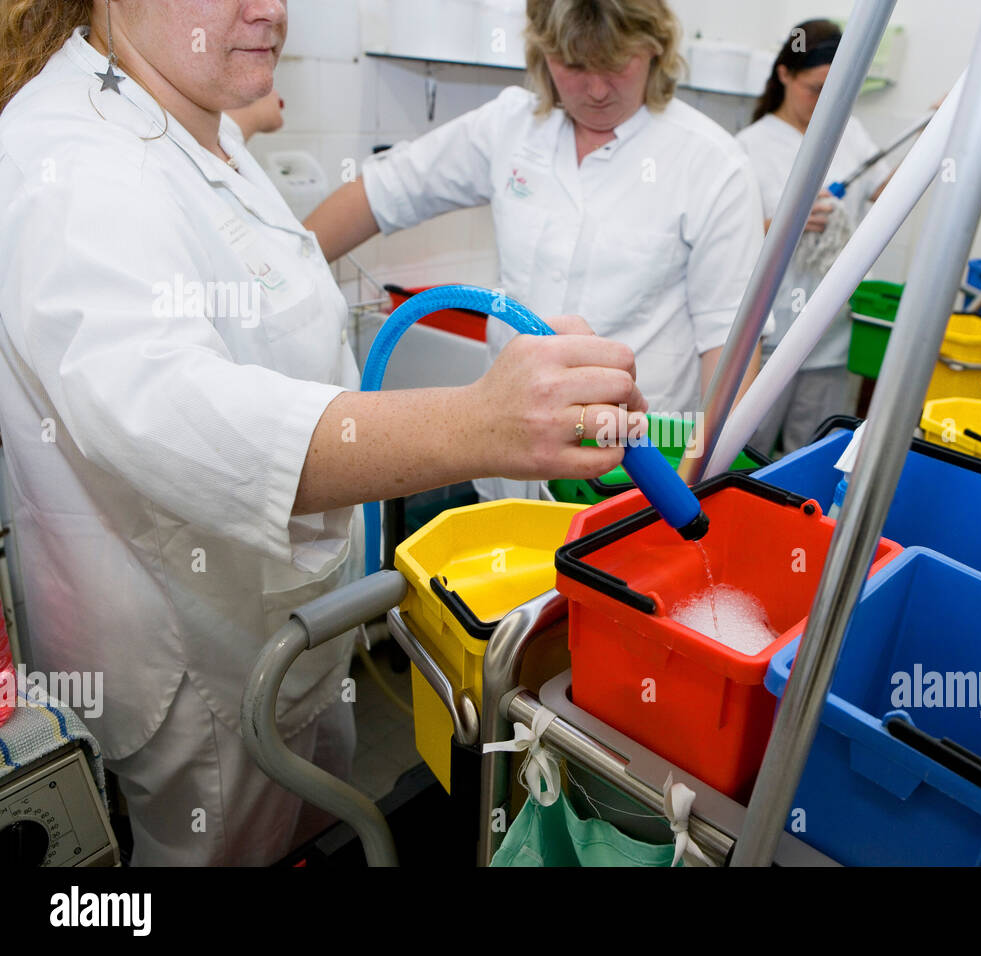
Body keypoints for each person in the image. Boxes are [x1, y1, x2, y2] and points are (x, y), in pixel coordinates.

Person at [0, 0, 644, 865]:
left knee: (316, 834)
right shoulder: (67, 155)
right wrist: (476, 421)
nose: (272, 8)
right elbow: (165, 409)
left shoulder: (195, 123)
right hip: (197, 671)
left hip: (283, 634)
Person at [305, 0, 769, 500]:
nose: (595, 89)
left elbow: (731, 353)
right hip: (507, 475)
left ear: (656, 48)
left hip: (628, 483)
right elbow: (379, 194)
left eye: (615, 63)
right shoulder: (511, 126)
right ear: (543, 53)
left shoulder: (713, 164)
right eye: (573, 64)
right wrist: (276, 276)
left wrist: (686, 494)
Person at [736, 19, 893, 458]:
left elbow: (888, 193)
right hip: (768, 333)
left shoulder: (851, 131)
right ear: (784, 74)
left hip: (832, 332)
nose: (826, 102)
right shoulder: (748, 146)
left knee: (810, 454)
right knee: (749, 449)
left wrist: (936, 133)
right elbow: (729, 240)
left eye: (836, 89)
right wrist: (788, 223)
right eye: (815, 88)